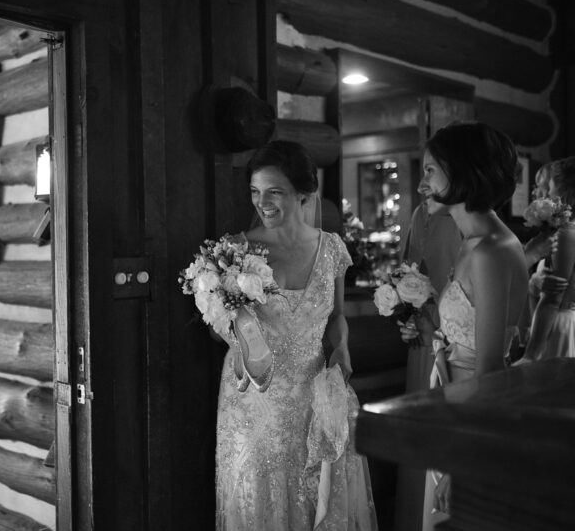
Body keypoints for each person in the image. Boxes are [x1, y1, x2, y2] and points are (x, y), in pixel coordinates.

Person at [214, 140, 378, 530]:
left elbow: (337, 316)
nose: (262, 201)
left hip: (313, 392)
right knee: (256, 497)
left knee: (314, 498)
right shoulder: (236, 250)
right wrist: (231, 336)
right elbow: (222, 325)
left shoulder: (332, 249)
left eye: (275, 191)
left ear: (304, 194)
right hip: (253, 399)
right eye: (255, 191)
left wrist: (342, 347)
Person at [398, 122, 528, 530]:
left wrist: (461, 463)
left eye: (431, 170)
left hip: (475, 421)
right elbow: (464, 330)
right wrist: (427, 328)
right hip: (452, 404)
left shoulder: (491, 251)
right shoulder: (472, 243)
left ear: (463, 171)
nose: (422, 183)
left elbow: (490, 368)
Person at [393, 185, 462, 531]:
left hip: (454, 352)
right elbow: (407, 275)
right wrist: (407, 318)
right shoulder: (420, 214)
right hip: (422, 347)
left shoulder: (469, 224)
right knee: (417, 449)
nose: (422, 184)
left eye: (431, 171)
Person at [521, 156, 575, 361]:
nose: (548, 194)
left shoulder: (568, 232)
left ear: (565, 192)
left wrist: (530, 355)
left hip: (557, 327)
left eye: (550, 187)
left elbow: (553, 299)